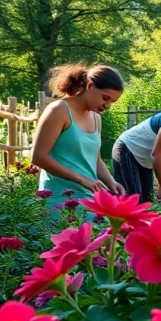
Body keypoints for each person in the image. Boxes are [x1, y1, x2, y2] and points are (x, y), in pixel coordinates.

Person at [31, 64, 125, 213]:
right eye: (105, 98)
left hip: (90, 200)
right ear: (89, 86)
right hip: (59, 200)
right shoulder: (59, 110)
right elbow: (38, 157)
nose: (107, 106)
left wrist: (111, 182)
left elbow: (96, 160)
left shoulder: (96, 118)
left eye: (111, 102)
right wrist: (81, 179)